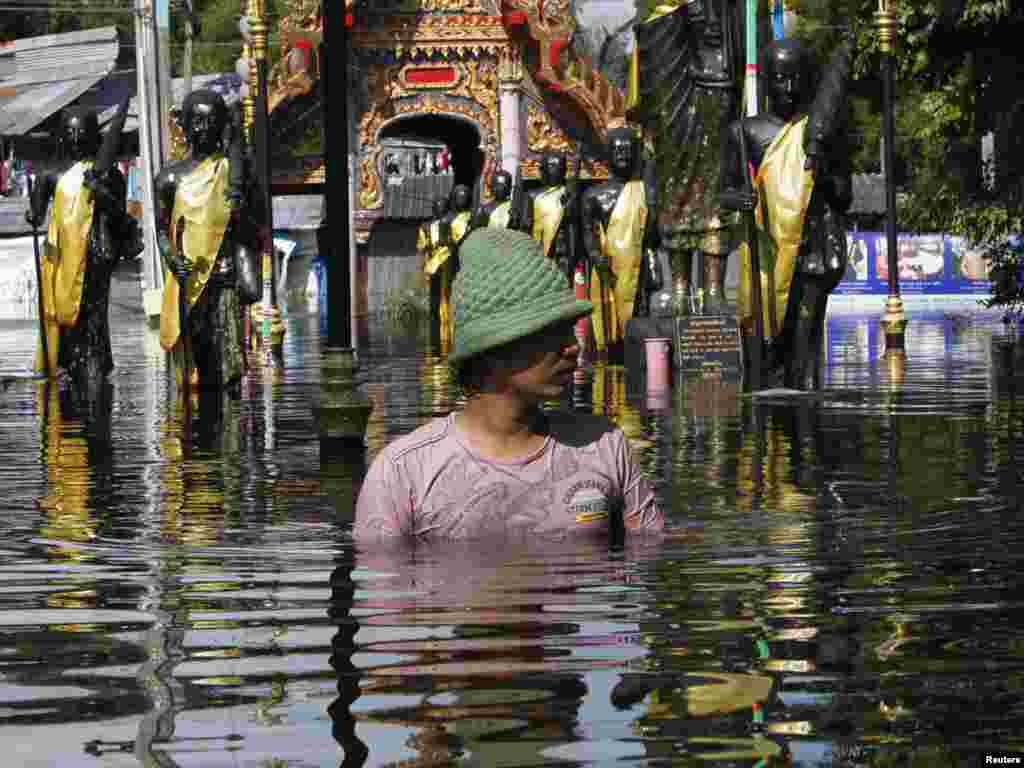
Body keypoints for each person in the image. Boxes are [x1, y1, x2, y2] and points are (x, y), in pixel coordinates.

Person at [354, 227, 664, 540]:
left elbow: (645, 568)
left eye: (570, 330)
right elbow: (384, 584)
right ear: (493, 350)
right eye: (551, 333)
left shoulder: (604, 447)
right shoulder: (404, 472)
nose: (573, 346)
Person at [720, 38, 853, 389]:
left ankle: (808, 431)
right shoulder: (744, 132)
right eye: (780, 78)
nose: (789, 88)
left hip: (811, 253)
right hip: (766, 252)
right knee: (762, 354)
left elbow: (844, 197)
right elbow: (724, 194)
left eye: (796, 78)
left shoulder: (820, 133)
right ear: (766, 81)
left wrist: (822, 172)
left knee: (805, 352)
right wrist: (739, 199)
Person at [27, 105, 140, 396]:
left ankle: (95, 367)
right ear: (62, 136)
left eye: (82, 132)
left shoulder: (109, 175)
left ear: (93, 136)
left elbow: (119, 215)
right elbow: (38, 215)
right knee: (61, 316)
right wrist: (33, 215)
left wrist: (101, 193)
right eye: (71, 131)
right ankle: (63, 365)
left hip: (96, 253)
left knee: (92, 317)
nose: (76, 137)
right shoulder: (50, 173)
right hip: (61, 255)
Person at [156, 89, 259, 394]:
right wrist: (172, 258)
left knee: (227, 369)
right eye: (196, 121)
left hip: (224, 276)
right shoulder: (169, 178)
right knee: (194, 374)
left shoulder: (234, 172)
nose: (202, 129)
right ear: (184, 126)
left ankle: (230, 433)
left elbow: (257, 227)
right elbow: (162, 231)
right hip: (189, 282)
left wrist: (240, 210)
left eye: (210, 121)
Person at [582, 123, 662, 354]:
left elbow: (655, 232)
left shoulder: (646, 190)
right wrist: (596, 255)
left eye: (628, 151)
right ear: (607, 155)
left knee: (642, 313)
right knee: (611, 325)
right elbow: (588, 232)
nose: (623, 156)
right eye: (617, 151)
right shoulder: (593, 196)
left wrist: (653, 200)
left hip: (641, 264)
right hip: (611, 268)